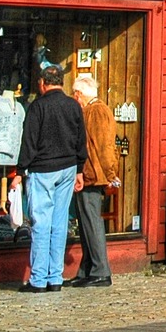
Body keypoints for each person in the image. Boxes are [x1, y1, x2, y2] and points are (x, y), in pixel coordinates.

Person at [17, 64, 85, 294]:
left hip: (43, 168)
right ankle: (55, 277)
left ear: (42, 83)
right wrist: (80, 169)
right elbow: (80, 139)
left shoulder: (38, 106)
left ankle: (38, 280)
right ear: (62, 83)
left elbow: (29, 141)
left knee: (41, 224)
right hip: (68, 167)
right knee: (59, 223)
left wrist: (20, 170)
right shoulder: (73, 106)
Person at [68, 72, 119, 287]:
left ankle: (100, 270)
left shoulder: (96, 111)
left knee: (92, 222)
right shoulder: (93, 110)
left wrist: (110, 174)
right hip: (90, 174)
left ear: (79, 94)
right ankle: (88, 269)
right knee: (86, 223)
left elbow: (105, 145)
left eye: (74, 95)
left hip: (94, 175)